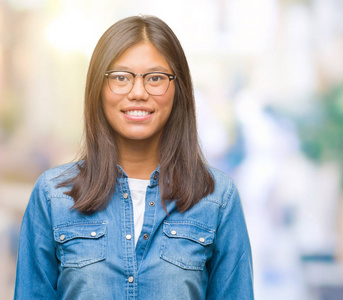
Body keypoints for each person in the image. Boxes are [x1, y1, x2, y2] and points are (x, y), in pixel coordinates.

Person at [14, 15, 253, 300]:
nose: (138, 92)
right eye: (120, 78)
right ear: (98, 89)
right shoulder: (53, 195)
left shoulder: (217, 198)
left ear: (178, 90)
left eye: (155, 78)